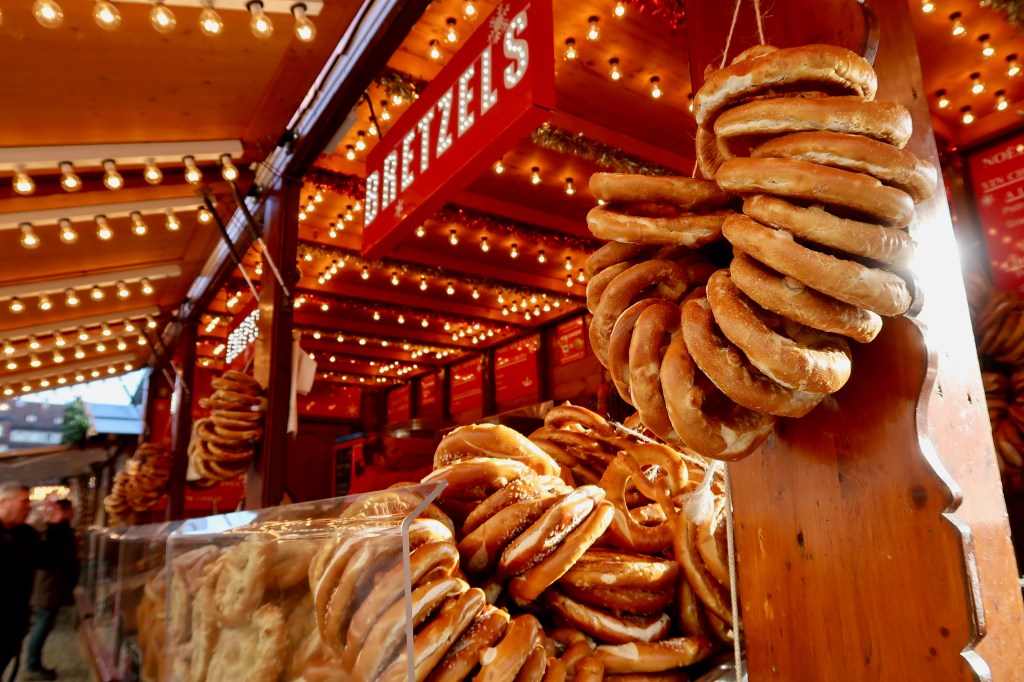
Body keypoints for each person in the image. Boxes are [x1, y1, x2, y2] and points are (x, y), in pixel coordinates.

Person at [24, 499, 78, 681]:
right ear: (63, 510)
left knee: (44, 621)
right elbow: (51, 558)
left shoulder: (54, 530)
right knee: (44, 622)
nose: (73, 513)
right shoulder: (52, 531)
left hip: (50, 586)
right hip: (48, 585)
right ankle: (33, 664)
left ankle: (33, 663)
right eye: (71, 510)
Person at [0, 483, 39, 682]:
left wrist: (60, 526)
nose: (29, 506)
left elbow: (52, 560)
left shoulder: (27, 535)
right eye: (24, 501)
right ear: (3, 503)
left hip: (12, 627)